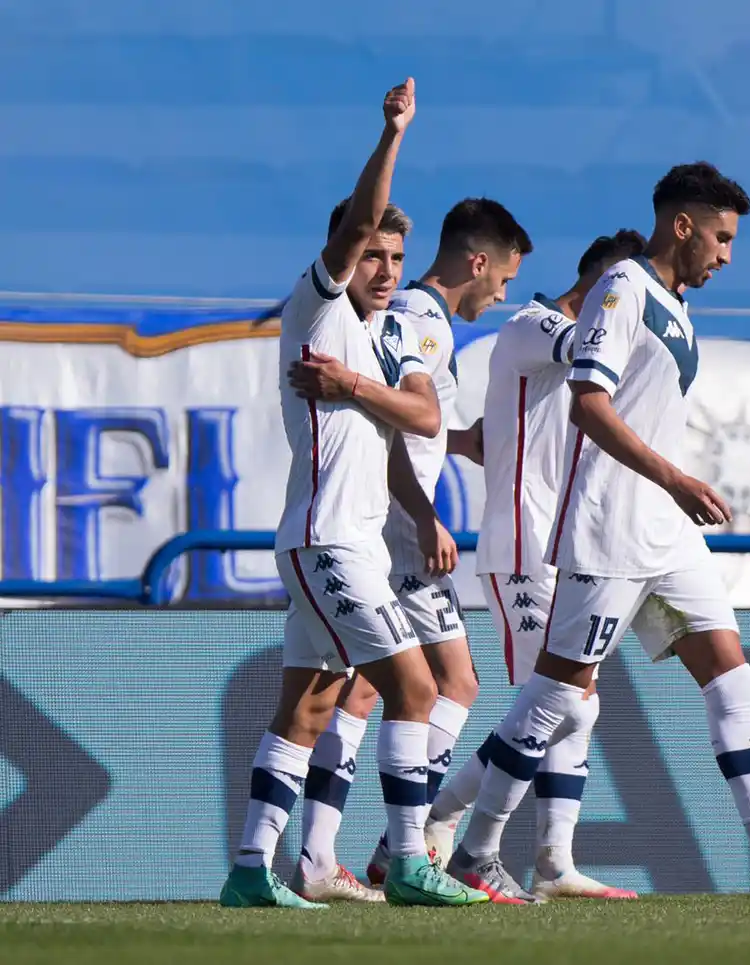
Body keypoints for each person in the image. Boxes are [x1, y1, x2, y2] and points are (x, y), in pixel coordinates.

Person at [447, 162, 750, 902]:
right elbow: (588, 401)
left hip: (665, 536)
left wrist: (671, 492)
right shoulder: (624, 289)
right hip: (612, 527)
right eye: (721, 235)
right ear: (682, 225)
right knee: (559, 697)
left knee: (733, 677)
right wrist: (673, 476)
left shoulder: (676, 307)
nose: (727, 254)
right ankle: (474, 848)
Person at [218, 78, 488, 909]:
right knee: (414, 689)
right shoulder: (319, 304)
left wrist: (361, 394)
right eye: (373, 252)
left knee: (309, 706)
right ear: (343, 249)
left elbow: (420, 415)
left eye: (397, 259)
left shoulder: (368, 342)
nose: (385, 267)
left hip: (345, 540)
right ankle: (410, 862)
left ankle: (250, 871)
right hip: (328, 540)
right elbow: (364, 220)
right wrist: (394, 134)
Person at [282, 199, 534, 901]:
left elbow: (400, 425)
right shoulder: (421, 320)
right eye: (506, 280)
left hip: (384, 517)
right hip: (391, 525)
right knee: (449, 680)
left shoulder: (411, 317)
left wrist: (455, 443)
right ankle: (406, 844)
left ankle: (327, 853)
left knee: (365, 686)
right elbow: (404, 412)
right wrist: (423, 514)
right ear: (480, 263)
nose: (503, 294)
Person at [422, 230, 651, 903]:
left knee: (576, 704)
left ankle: (552, 860)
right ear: (608, 280)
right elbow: (593, 348)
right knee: (558, 704)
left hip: (563, 545)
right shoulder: (533, 324)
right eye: (631, 290)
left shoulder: (578, 358)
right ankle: (449, 830)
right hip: (521, 541)